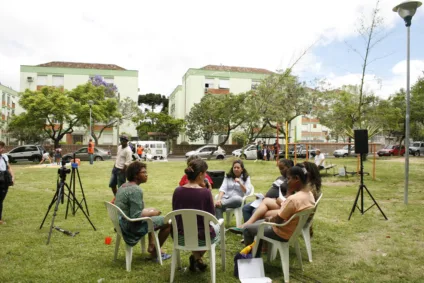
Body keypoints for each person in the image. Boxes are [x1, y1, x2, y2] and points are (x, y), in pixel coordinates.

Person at [242, 165, 315, 254]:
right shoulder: (309, 194)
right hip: (293, 230)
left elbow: (277, 220)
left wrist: (268, 219)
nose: (287, 182)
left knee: (247, 229)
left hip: (282, 232)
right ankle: (260, 249)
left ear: (296, 178)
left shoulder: (293, 199)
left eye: (289, 179)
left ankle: (252, 259)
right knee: (257, 223)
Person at [114, 161, 171, 261]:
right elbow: (135, 217)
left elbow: (132, 210)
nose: (146, 174)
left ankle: (151, 246)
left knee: (153, 217)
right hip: (130, 227)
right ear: (136, 175)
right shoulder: (136, 190)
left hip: (121, 223)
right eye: (143, 172)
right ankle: (154, 252)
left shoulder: (123, 186)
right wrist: (152, 213)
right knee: (168, 222)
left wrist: (150, 212)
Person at [172, 158, 218, 272]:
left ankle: (196, 258)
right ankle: (197, 257)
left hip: (180, 236)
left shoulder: (177, 191)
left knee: (193, 229)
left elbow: (176, 212)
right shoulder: (206, 193)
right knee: (217, 228)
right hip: (202, 237)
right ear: (201, 174)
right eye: (205, 173)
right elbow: (211, 216)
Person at [0, 141, 14, 225]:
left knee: (0, 200)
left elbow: (8, 167)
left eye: (2, 147)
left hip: (4, 181)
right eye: (0, 147)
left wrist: (12, 177)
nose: (2, 149)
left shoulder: (4, 157)